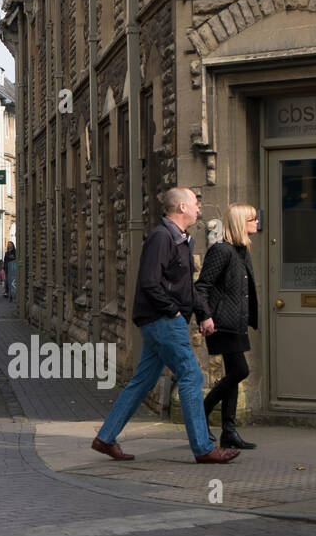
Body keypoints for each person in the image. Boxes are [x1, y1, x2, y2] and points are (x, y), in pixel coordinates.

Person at [92, 187, 239, 465]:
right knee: (191, 376)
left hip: (162, 321)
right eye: (195, 203)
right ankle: (204, 448)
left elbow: (185, 287)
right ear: (181, 207)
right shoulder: (162, 238)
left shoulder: (182, 240)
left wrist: (204, 313)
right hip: (163, 321)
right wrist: (172, 312)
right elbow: (149, 282)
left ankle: (105, 438)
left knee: (142, 382)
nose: (199, 207)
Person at [195, 204, 261, 450]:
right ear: (239, 223)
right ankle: (201, 413)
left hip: (237, 323)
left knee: (234, 376)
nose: (257, 223)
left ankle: (229, 432)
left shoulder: (241, 250)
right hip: (222, 323)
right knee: (240, 371)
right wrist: (205, 316)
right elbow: (202, 286)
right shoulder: (221, 251)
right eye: (252, 219)